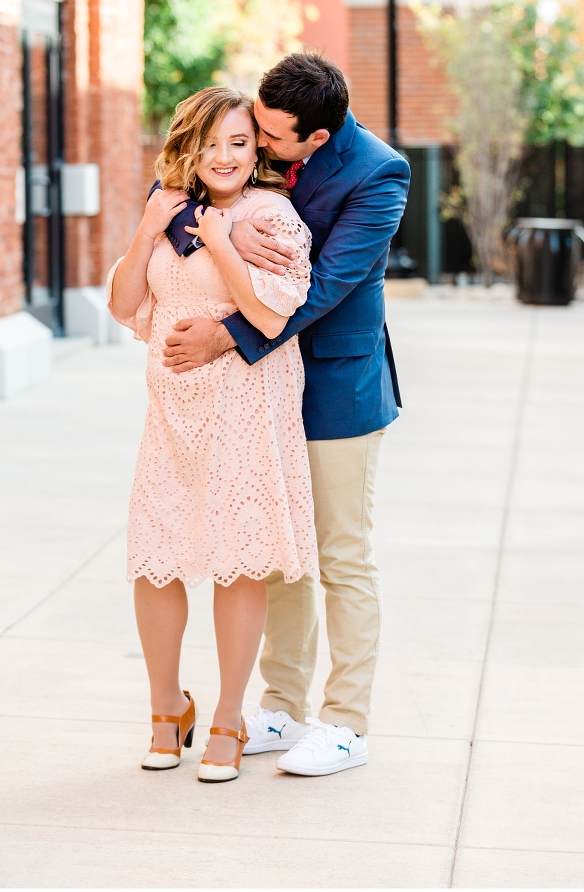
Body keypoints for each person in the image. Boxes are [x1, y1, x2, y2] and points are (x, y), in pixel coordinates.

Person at [161, 53, 410, 777]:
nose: (257, 145)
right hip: (266, 385)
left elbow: (325, 285)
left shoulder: (380, 177)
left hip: (336, 385)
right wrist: (228, 231)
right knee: (279, 552)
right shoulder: (258, 140)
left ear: (318, 140)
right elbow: (179, 192)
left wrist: (224, 335)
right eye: (256, 129)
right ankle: (281, 705)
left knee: (340, 554)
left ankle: (346, 724)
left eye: (272, 137)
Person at [107, 86, 318, 784]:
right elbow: (125, 305)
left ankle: (229, 716)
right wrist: (146, 229)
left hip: (246, 410)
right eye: (210, 143)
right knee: (155, 559)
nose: (224, 156)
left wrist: (223, 243)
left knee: (239, 557)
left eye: (238, 141)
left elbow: (267, 316)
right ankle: (167, 708)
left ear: (256, 146)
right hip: (170, 416)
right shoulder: (169, 208)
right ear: (187, 147)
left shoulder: (271, 216)